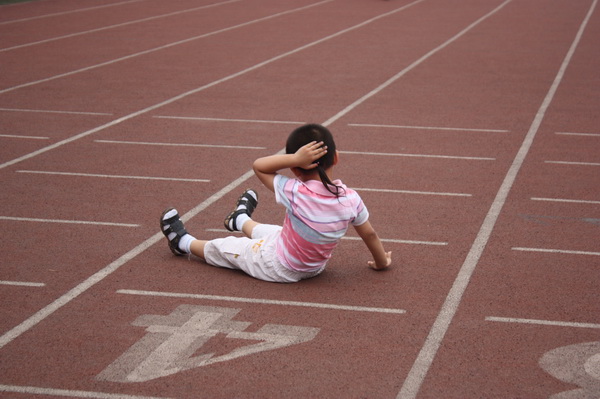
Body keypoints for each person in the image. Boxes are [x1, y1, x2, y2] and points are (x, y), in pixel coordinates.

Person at [160, 123, 392, 283]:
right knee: (278, 233)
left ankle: (183, 243)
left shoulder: (295, 191)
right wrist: (381, 263)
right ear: (337, 157)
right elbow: (369, 235)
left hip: (280, 267)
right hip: (315, 266)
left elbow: (259, 166)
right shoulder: (351, 198)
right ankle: (240, 220)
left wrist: (295, 158)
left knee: (226, 247)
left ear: (293, 168)